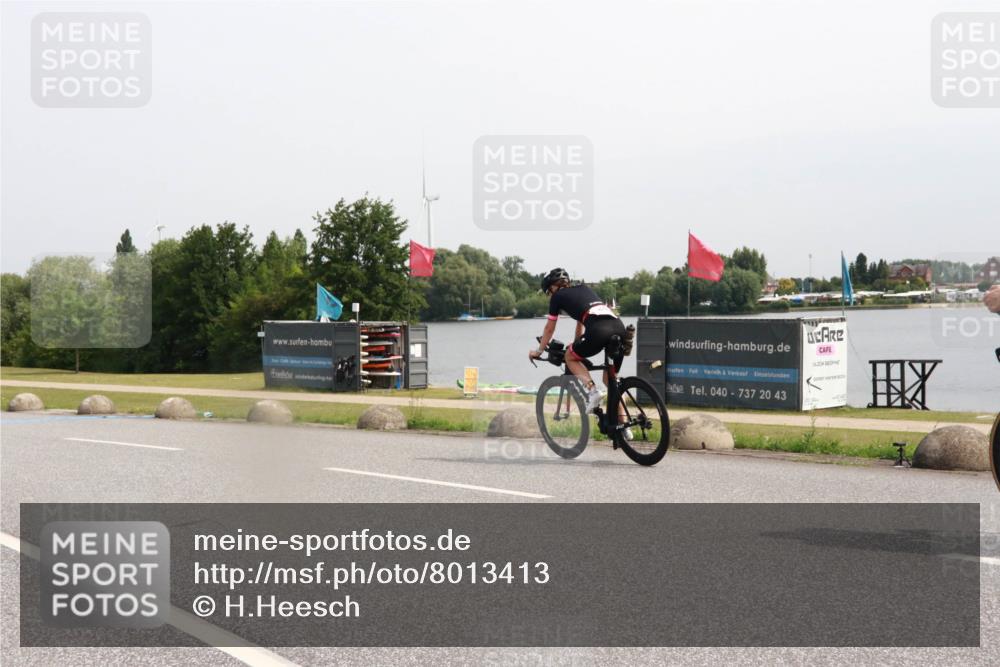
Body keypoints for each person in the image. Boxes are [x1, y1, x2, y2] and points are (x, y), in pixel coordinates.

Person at [529, 268, 626, 412]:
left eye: (548, 292)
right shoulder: (584, 289)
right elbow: (581, 322)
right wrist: (576, 345)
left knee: (569, 357)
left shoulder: (558, 296)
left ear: (554, 287)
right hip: (619, 328)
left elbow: (549, 329)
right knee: (610, 381)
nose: (550, 296)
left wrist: (538, 351)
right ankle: (624, 427)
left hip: (598, 331)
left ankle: (593, 391)